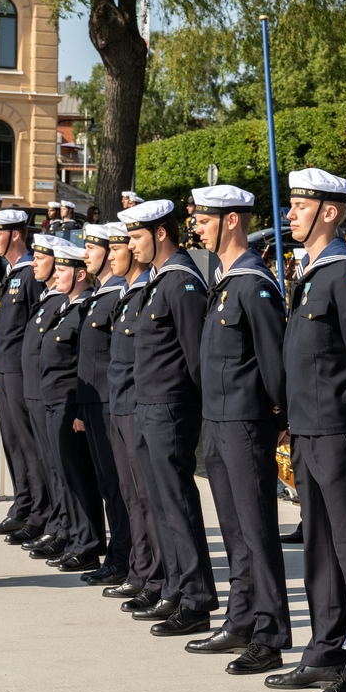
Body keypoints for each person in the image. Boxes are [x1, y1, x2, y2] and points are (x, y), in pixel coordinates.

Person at [266, 168, 346, 692]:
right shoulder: (311, 271)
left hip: (339, 428)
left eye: (300, 205)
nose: (290, 214)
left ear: (330, 212)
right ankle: (325, 644)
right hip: (309, 427)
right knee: (318, 543)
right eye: (291, 205)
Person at [183, 185, 292, 675]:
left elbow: (273, 361)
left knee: (257, 530)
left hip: (248, 422)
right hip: (220, 420)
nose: (197, 227)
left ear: (230, 221)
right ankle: (241, 617)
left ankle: (270, 633)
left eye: (204, 219)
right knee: (234, 529)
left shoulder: (253, 283)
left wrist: (280, 420)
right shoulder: (227, 280)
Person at [121, 199, 214, 637]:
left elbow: (197, 356)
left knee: (177, 505)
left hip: (172, 409)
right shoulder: (158, 281)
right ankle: (176, 587)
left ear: (161, 233)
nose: (132, 245)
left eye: (138, 236)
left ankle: (196, 599)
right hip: (148, 407)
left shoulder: (181, 282)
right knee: (160, 505)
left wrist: (201, 410)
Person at [101, 222, 167, 609]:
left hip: (140, 405)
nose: (115, 254)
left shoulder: (149, 290)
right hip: (121, 403)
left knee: (146, 496)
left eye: (124, 244)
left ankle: (157, 577)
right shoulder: (129, 294)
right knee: (131, 495)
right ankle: (141, 571)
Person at [0, 210, 52, 547]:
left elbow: (40, 327)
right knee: (13, 443)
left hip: (24, 371)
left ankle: (41, 513)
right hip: (7, 367)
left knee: (29, 444)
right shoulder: (13, 272)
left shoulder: (31, 274)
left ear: (16, 235)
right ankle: (23, 505)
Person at [37, 242, 105, 573]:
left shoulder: (82, 310)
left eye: (62, 271)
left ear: (80, 274)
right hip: (53, 400)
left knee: (78, 475)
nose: (56, 276)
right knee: (64, 473)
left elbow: (82, 364)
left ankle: (89, 543)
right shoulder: (66, 307)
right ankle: (77, 537)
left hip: (68, 402)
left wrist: (79, 409)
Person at [74, 224, 131, 586]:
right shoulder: (101, 294)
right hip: (95, 402)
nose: (88, 255)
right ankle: (119, 554)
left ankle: (124, 557)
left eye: (93, 248)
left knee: (120, 487)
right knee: (108, 486)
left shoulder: (117, 295)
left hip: (112, 402)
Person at [19, 235, 74, 561]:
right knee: (48, 464)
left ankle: (64, 527)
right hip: (38, 392)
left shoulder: (61, 302)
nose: (36, 263)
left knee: (60, 467)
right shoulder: (48, 298)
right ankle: (57, 522)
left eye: (43, 258)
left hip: (50, 394)